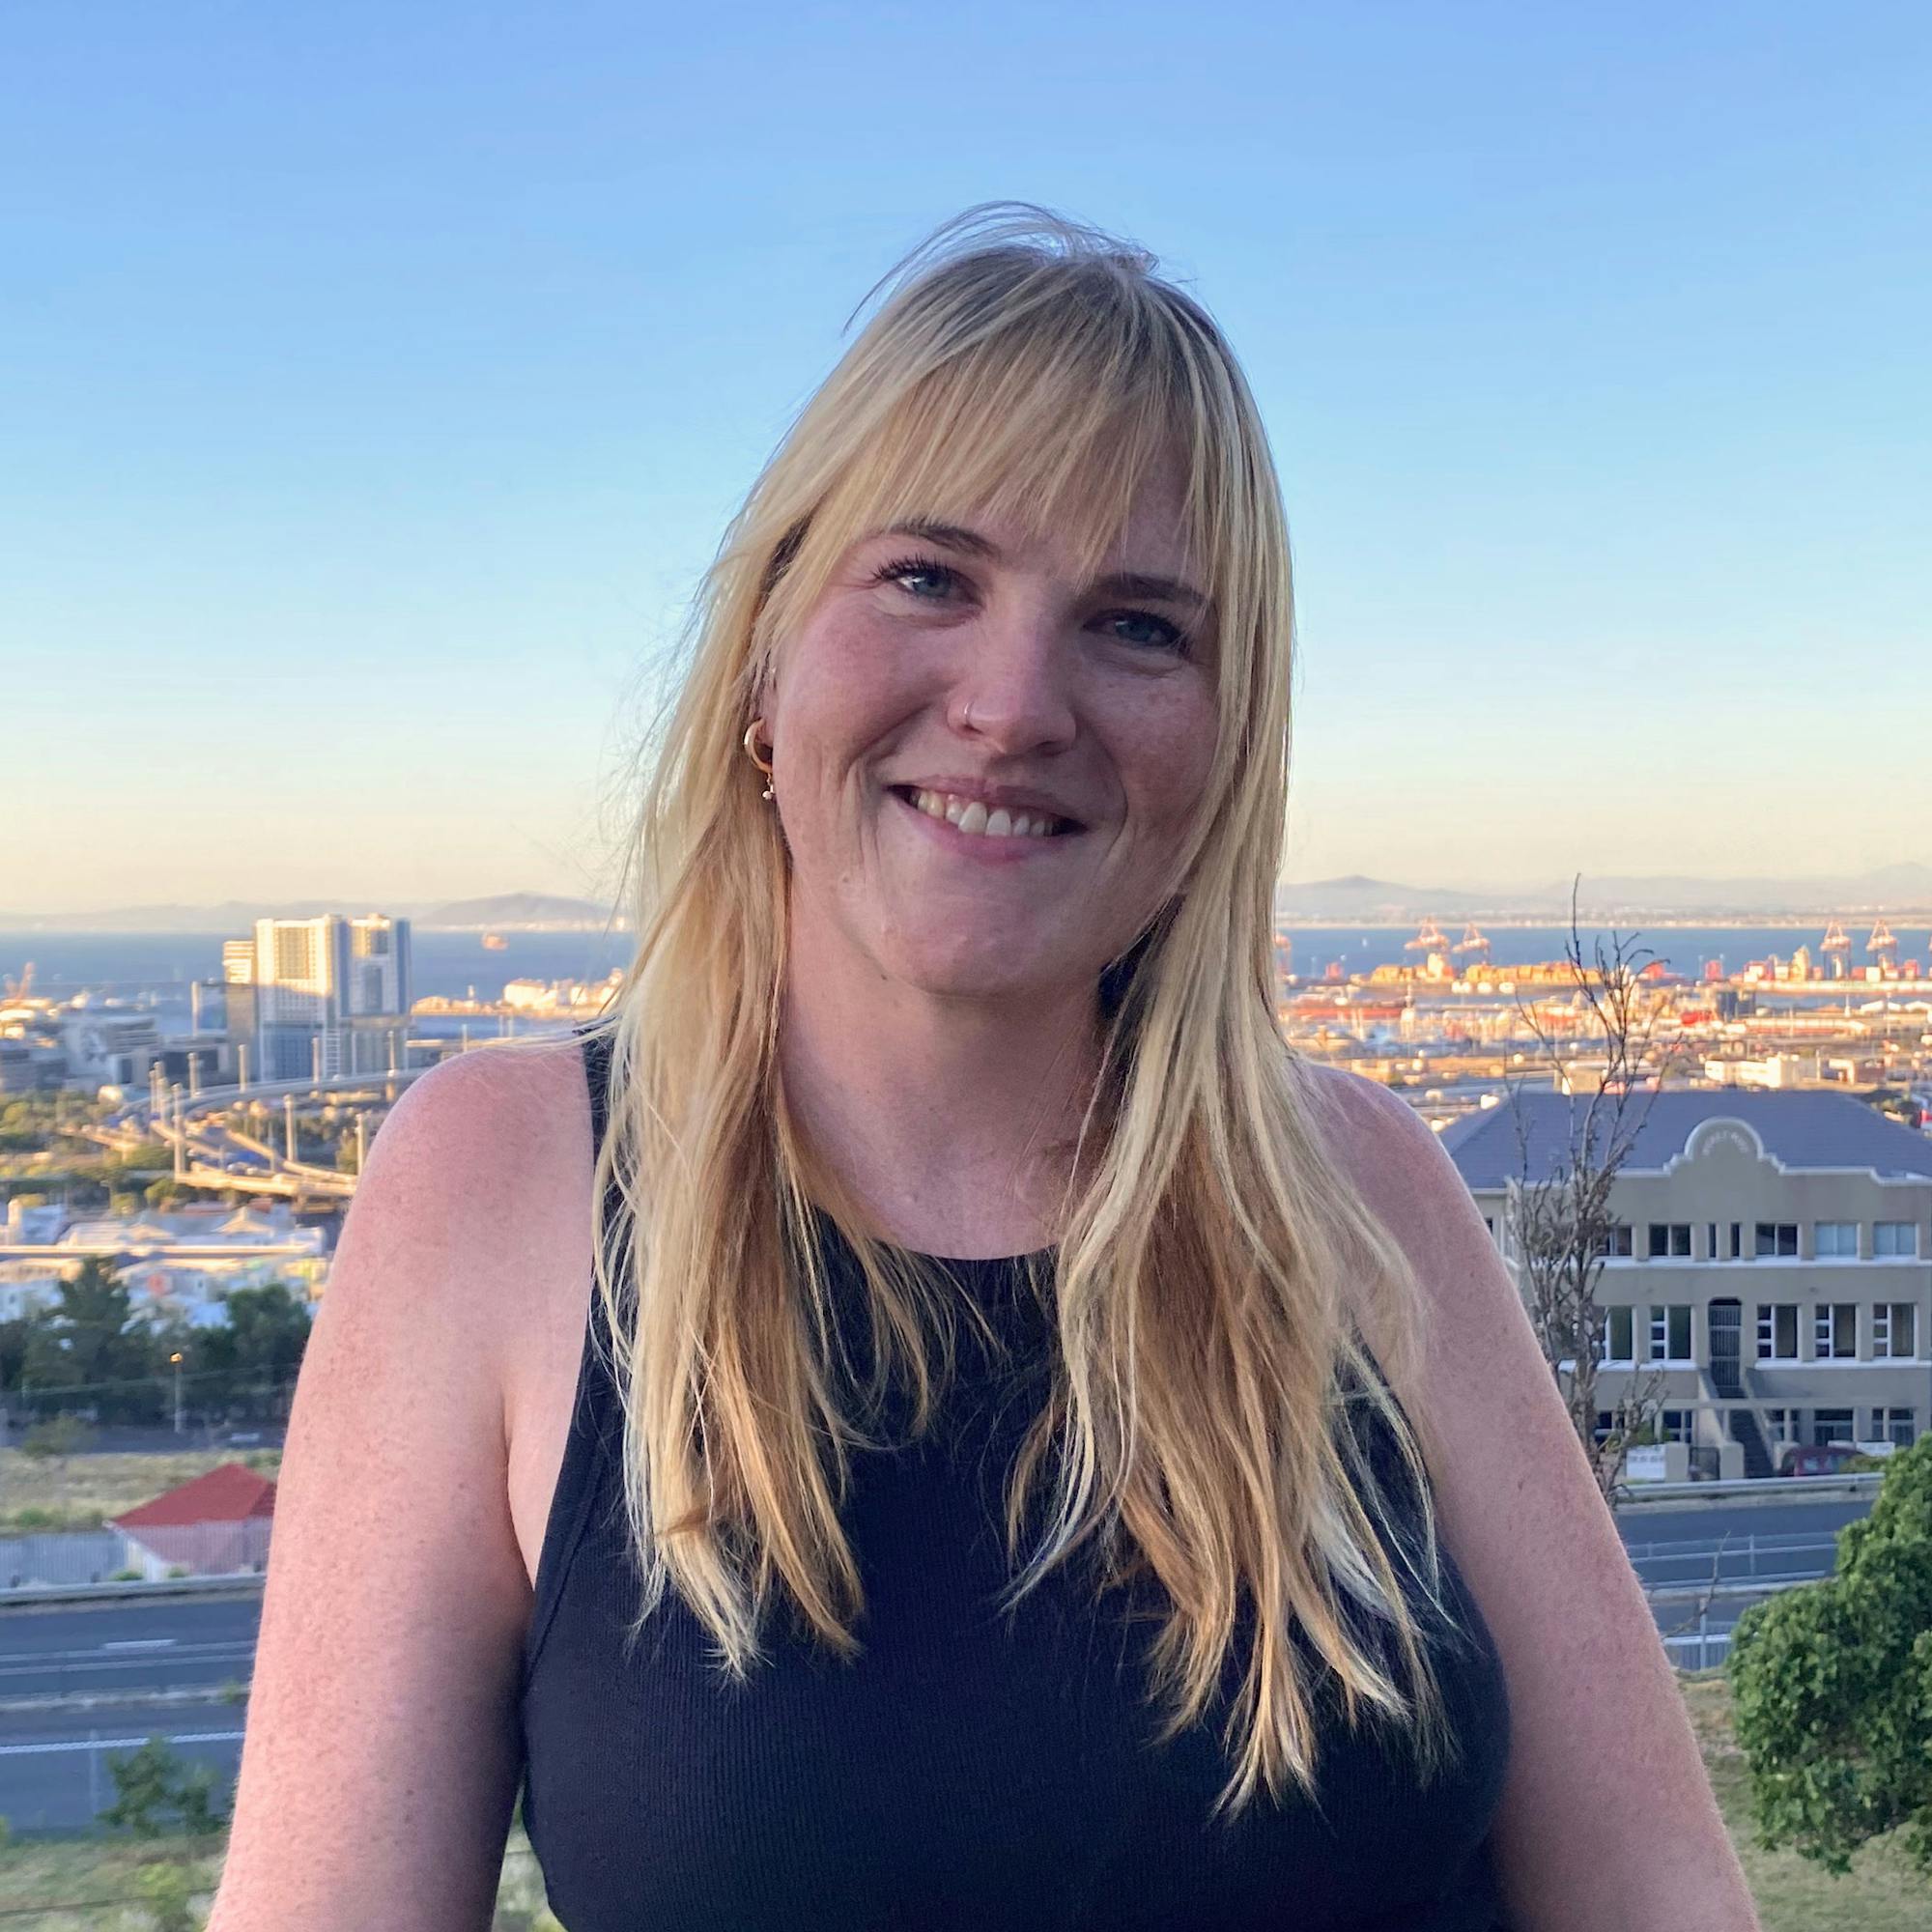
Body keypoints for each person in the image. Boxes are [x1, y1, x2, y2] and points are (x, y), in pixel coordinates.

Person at [208, 204, 1760, 1930]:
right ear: (762, 662)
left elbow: (1658, 1894)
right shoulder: (501, 1189)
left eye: (1141, 627)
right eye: (930, 577)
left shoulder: (1362, 1189)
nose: (1016, 703)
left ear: (1224, 744)